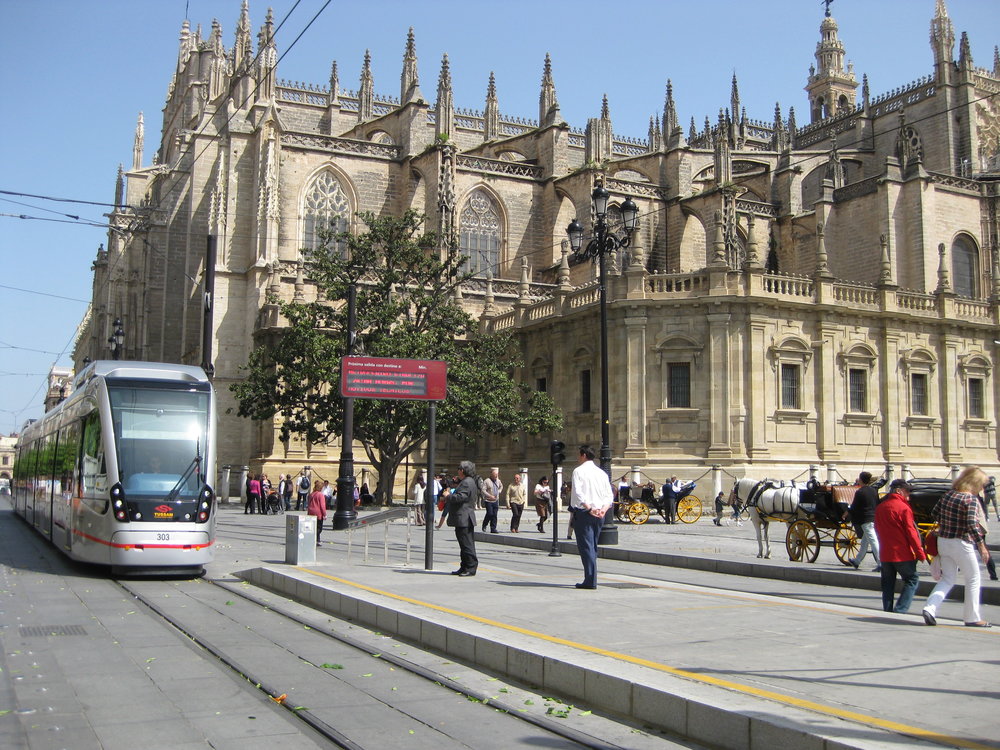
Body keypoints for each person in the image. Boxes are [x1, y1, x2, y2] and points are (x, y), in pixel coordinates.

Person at [921, 466, 991, 627]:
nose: (981, 488)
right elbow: (972, 525)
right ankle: (972, 617)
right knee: (973, 578)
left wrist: (947, 523)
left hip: (943, 542)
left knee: (947, 579)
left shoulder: (948, 495)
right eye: (981, 484)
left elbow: (934, 513)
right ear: (974, 483)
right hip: (961, 542)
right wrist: (982, 546)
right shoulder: (970, 499)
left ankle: (929, 608)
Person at [874, 479, 926, 613]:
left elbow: (877, 528)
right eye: (907, 491)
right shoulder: (903, 508)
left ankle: (887, 609)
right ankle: (900, 609)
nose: (908, 495)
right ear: (898, 491)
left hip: (885, 553)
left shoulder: (880, 507)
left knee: (887, 583)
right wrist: (920, 552)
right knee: (912, 579)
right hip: (902, 553)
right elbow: (911, 533)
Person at [569, 445, 613, 589]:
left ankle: (590, 580)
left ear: (583, 455)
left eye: (579, 455)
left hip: (584, 513)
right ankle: (590, 578)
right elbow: (609, 495)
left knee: (586, 547)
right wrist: (603, 510)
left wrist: (590, 508)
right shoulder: (602, 473)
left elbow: (578, 493)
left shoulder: (578, 471)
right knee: (593, 546)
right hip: (600, 513)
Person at [447, 461, 479, 576]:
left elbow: (462, 497)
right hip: (464, 517)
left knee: (467, 544)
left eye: (459, 468)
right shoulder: (467, 481)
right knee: (464, 543)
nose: (458, 470)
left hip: (464, 517)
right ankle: (464, 566)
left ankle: (470, 567)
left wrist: (448, 496)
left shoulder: (467, 482)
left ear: (463, 470)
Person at [846, 471, 881, 572]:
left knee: (873, 540)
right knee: (865, 542)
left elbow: (854, 506)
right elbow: (877, 503)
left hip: (865, 519)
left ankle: (881, 563)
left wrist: (847, 512)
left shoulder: (860, 492)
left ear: (861, 480)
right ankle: (857, 560)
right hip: (873, 517)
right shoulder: (874, 491)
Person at [481, 467, 503, 533]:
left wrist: (499, 491)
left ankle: (493, 528)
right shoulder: (487, 481)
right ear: (491, 475)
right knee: (490, 513)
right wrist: (489, 495)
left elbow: (501, 486)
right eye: (495, 475)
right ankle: (485, 524)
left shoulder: (498, 481)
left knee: (495, 515)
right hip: (488, 500)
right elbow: (483, 490)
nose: (496, 476)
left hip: (496, 500)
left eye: (497, 475)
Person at [307, 479, 327, 545]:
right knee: (319, 528)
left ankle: (316, 540)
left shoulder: (311, 494)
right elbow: (322, 506)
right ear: (321, 488)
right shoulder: (320, 495)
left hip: (311, 512)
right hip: (318, 513)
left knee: (312, 527)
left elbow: (309, 503)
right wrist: (324, 514)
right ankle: (316, 540)